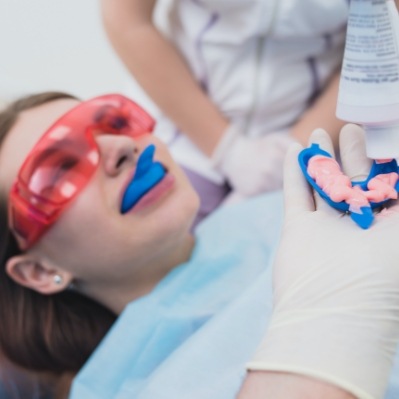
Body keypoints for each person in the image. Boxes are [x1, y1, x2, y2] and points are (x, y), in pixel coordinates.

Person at [0, 92, 399, 399]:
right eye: (60, 169)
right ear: (38, 271)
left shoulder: (285, 206)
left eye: (114, 121)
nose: (122, 147)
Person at [100, 0, 349, 224]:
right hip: (183, 131)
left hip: (317, 131)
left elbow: (381, 43)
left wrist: (293, 153)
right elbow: (126, 19)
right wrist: (229, 150)